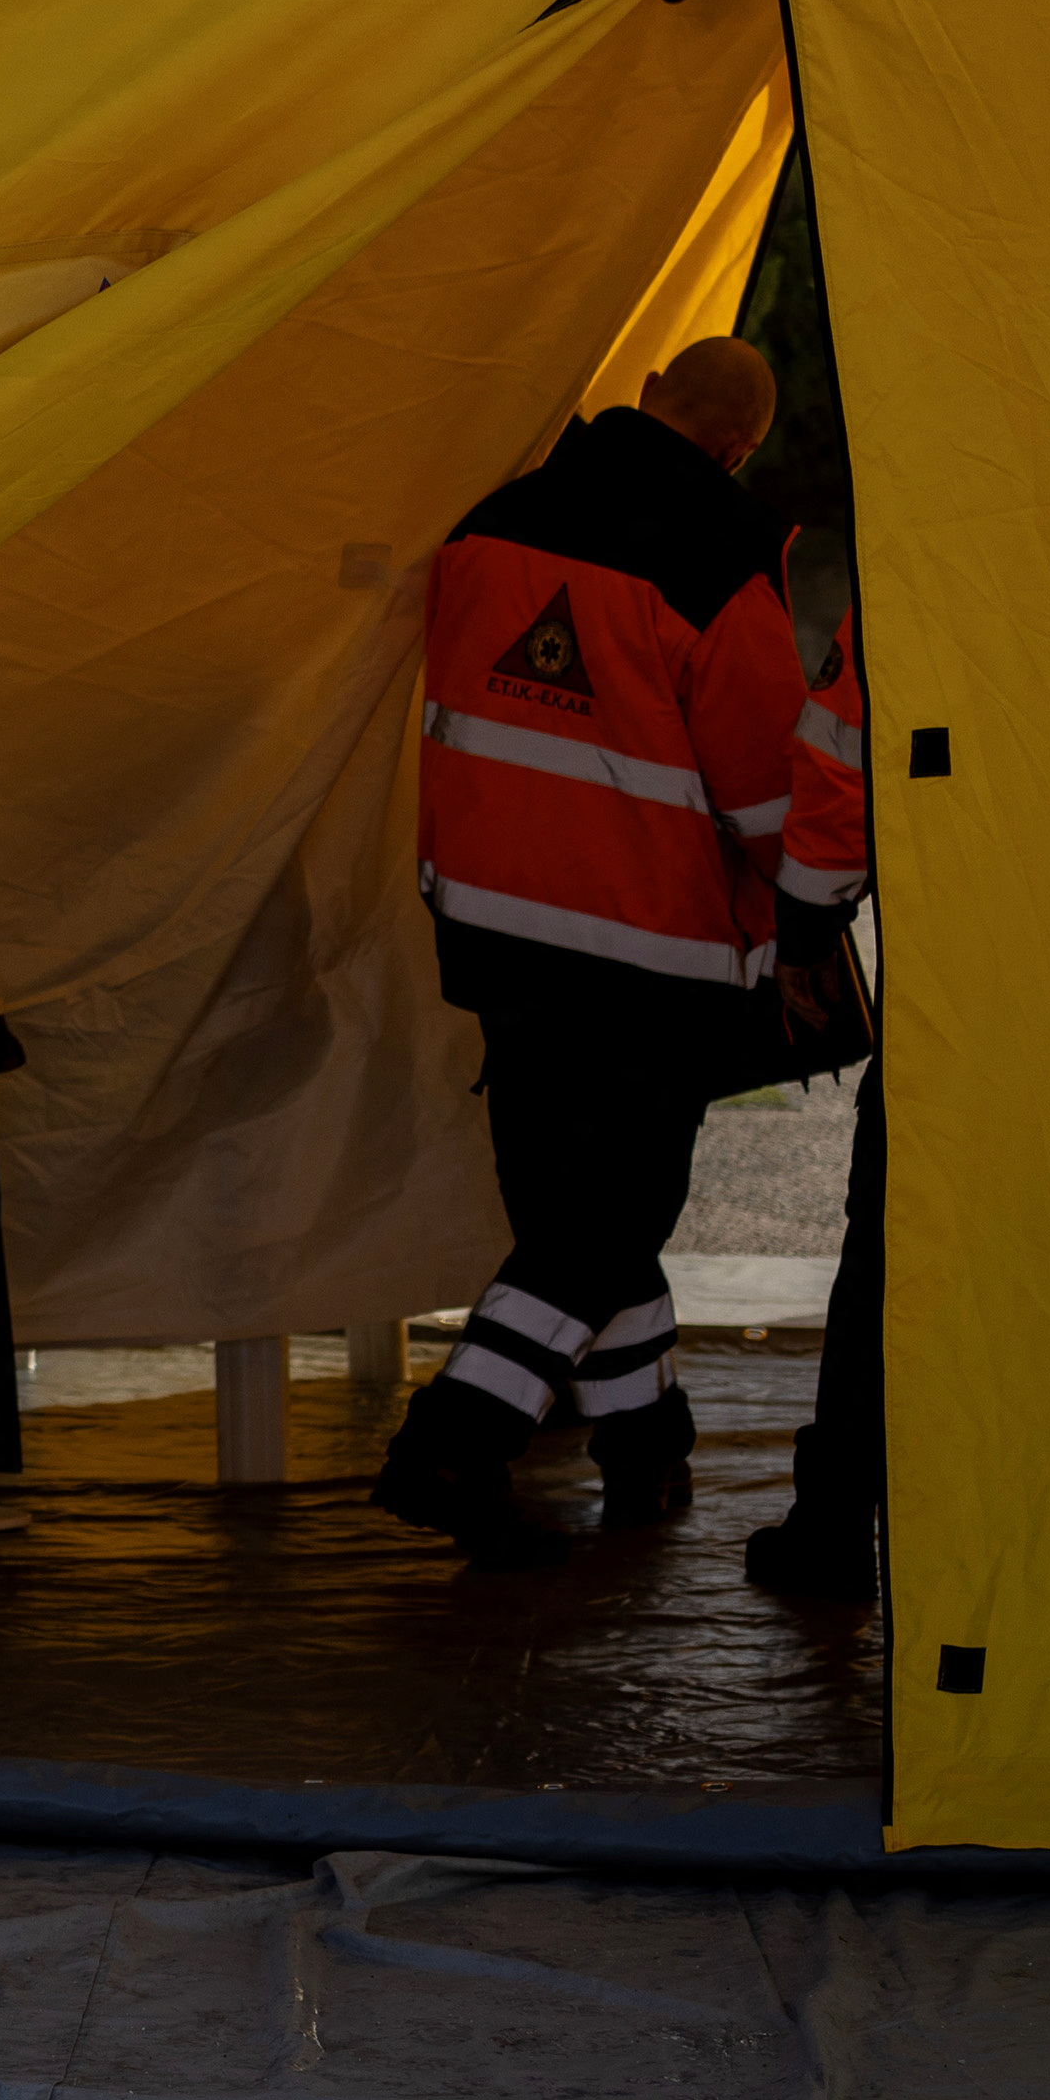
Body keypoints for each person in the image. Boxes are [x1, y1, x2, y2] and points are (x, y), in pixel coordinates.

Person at [372, 336, 799, 1567]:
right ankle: (450, 1441)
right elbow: (766, 795)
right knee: (603, 1221)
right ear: (734, 446)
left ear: (653, 388)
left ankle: (643, 1441)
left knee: (574, 1208)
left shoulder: (492, 516)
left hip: (490, 924)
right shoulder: (722, 562)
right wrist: (803, 917)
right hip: (643, 945)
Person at [744, 524, 886, 1606]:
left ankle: (836, 1523)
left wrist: (802, 940)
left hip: (966, 995)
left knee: (889, 1257)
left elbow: (836, 776)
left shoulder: (920, 568)